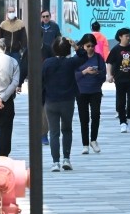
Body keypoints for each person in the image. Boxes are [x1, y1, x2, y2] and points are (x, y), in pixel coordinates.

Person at [43, 36, 86, 172]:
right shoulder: (71, 62)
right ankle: (66, 159)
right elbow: (84, 57)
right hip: (67, 101)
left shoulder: (47, 63)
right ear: (68, 49)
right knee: (67, 130)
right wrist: (76, 46)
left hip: (51, 101)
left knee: (54, 132)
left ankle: (55, 162)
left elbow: (41, 81)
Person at [106, 27, 130, 133]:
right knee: (121, 101)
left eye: (129, 36)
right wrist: (109, 75)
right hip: (119, 79)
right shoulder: (115, 49)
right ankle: (122, 122)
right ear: (120, 37)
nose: (128, 38)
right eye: (126, 36)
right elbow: (109, 63)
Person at [75, 33, 106, 155]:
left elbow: (103, 75)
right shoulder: (78, 58)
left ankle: (93, 140)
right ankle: (85, 144)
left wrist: (97, 73)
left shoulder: (98, 58)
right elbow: (73, 75)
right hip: (81, 91)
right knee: (84, 118)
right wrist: (84, 72)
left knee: (96, 115)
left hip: (95, 91)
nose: (90, 48)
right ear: (83, 46)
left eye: (92, 46)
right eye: (88, 46)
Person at [0, 39, 20, 157]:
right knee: (6, 131)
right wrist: (2, 97)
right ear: (4, 49)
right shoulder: (13, 61)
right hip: (7, 101)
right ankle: (3, 157)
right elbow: (15, 83)